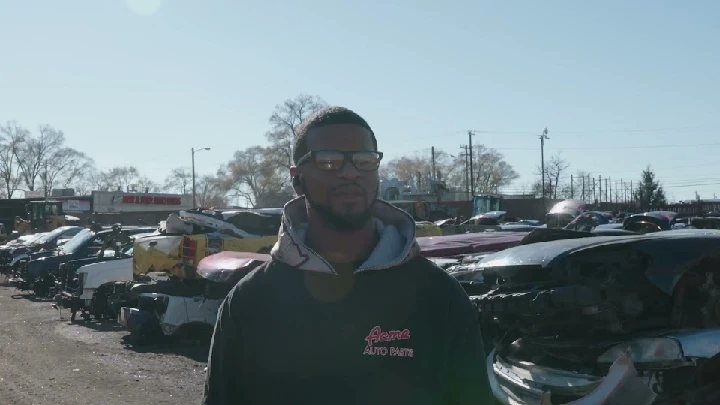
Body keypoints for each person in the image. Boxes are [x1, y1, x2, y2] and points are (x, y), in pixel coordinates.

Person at [202, 107, 492, 404]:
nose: (351, 172)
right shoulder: (250, 302)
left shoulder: (439, 296)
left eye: (364, 161)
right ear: (297, 178)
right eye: (329, 161)